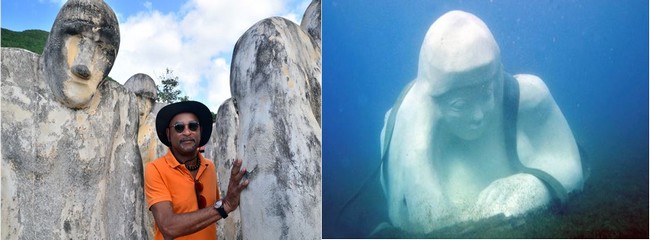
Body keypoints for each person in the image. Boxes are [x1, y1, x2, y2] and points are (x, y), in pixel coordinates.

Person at [379, 10, 583, 234]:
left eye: (486, 95)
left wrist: (535, 187)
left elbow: (572, 167)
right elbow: (414, 220)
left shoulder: (529, 96)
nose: (478, 115)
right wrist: (416, 143)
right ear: (433, 100)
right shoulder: (405, 122)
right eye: (459, 105)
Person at [145, 100, 249, 239]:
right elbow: (168, 227)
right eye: (179, 127)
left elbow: (211, 210)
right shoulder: (155, 169)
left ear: (200, 131)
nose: (187, 132)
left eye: (193, 126)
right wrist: (225, 206)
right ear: (169, 134)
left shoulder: (209, 167)